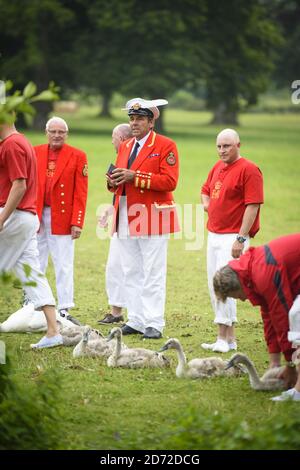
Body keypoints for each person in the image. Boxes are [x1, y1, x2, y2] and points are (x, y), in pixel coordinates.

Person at [106, 98, 179, 339]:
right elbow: (121, 179)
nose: (134, 123)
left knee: (153, 271)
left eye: (139, 119)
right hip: (126, 211)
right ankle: (136, 319)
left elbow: (170, 181)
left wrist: (133, 176)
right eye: (132, 118)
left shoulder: (166, 145)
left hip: (153, 213)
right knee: (130, 270)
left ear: (151, 121)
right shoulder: (126, 146)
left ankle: (154, 322)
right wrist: (113, 181)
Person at [213, 233, 300, 401]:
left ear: (238, 285)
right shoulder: (250, 269)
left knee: (296, 318)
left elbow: (282, 316)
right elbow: (269, 317)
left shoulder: (262, 273)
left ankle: (297, 392)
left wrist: (290, 364)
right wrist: (274, 361)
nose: (243, 299)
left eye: (237, 296)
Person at [0, 119, 63, 349]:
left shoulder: (11, 145)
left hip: (14, 215)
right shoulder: (22, 141)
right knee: (32, 274)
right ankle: (53, 331)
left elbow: (19, 185)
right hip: (26, 217)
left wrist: (2, 217)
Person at [201, 128, 264, 353]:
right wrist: (207, 203)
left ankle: (222, 337)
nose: (222, 150)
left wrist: (240, 237)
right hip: (214, 234)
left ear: (238, 145)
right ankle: (229, 339)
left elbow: (253, 205)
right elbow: (205, 189)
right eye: (219, 146)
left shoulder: (249, 169)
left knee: (224, 283)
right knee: (214, 283)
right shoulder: (217, 167)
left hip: (232, 236)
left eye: (226, 146)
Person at [34, 116, 88, 326]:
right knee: (35, 261)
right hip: (36, 215)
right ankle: (33, 304)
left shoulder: (77, 156)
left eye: (61, 132)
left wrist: (77, 221)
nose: (57, 135)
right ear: (46, 133)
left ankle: (64, 308)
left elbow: (80, 193)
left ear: (67, 134)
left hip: (63, 217)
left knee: (63, 263)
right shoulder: (34, 152)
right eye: (53, 131)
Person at [98, 123, 133, 324]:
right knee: (114, 266)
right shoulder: (120, 160)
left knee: (130, 268)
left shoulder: (134, 161)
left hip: (136, 221)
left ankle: (136, 314)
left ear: (121, 139)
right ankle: (116, 311)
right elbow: (121, 195)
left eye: (113, 138)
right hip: (121, 220)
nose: (112, 141)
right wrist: (110, 210)